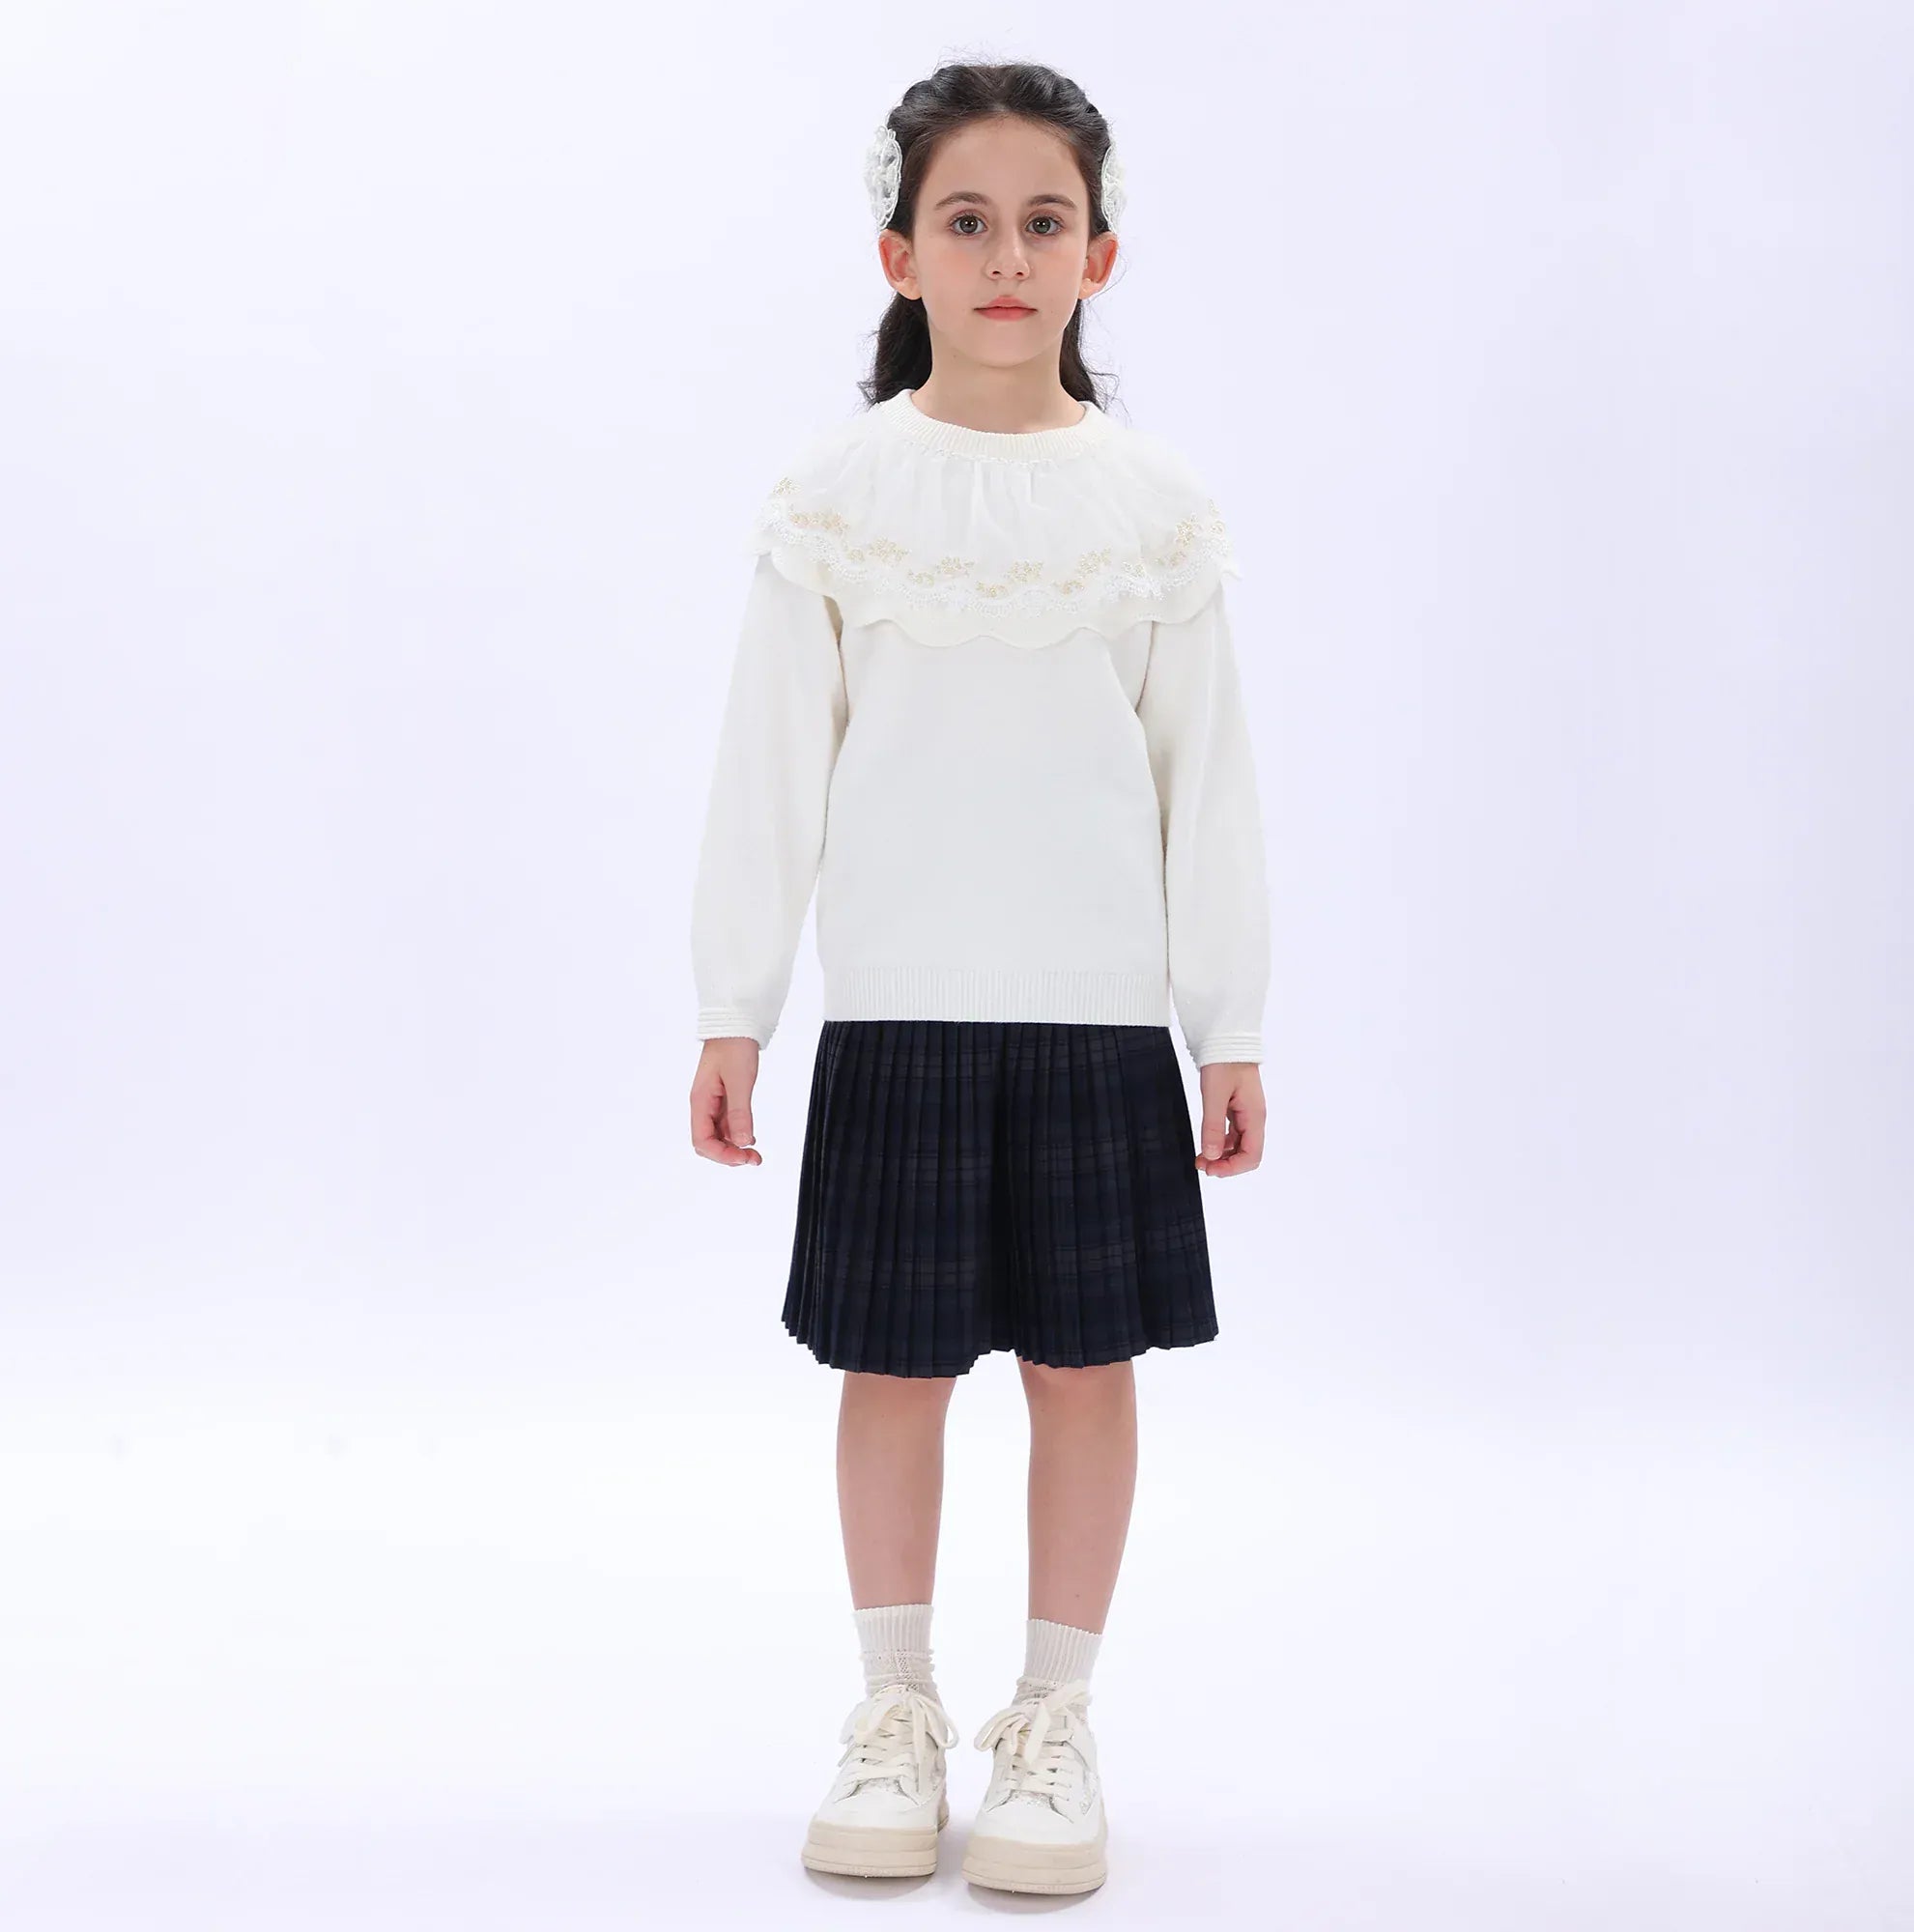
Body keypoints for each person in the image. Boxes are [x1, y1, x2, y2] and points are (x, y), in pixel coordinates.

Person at [687, 60, 1270, 1898]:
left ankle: (1054, 1722)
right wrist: (735, 1004)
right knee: (895, 1364)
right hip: (900, 1010)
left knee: (1085, 1370)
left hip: (1097, 1018)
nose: (1007, 258)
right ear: (900, 253)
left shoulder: (1154, 507)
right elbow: (770, 763)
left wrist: (1228, 1024)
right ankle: (892, 1709)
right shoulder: (835, 499)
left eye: (1043, 222)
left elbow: (1206, 779)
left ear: (1100, 255)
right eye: (967, 221)